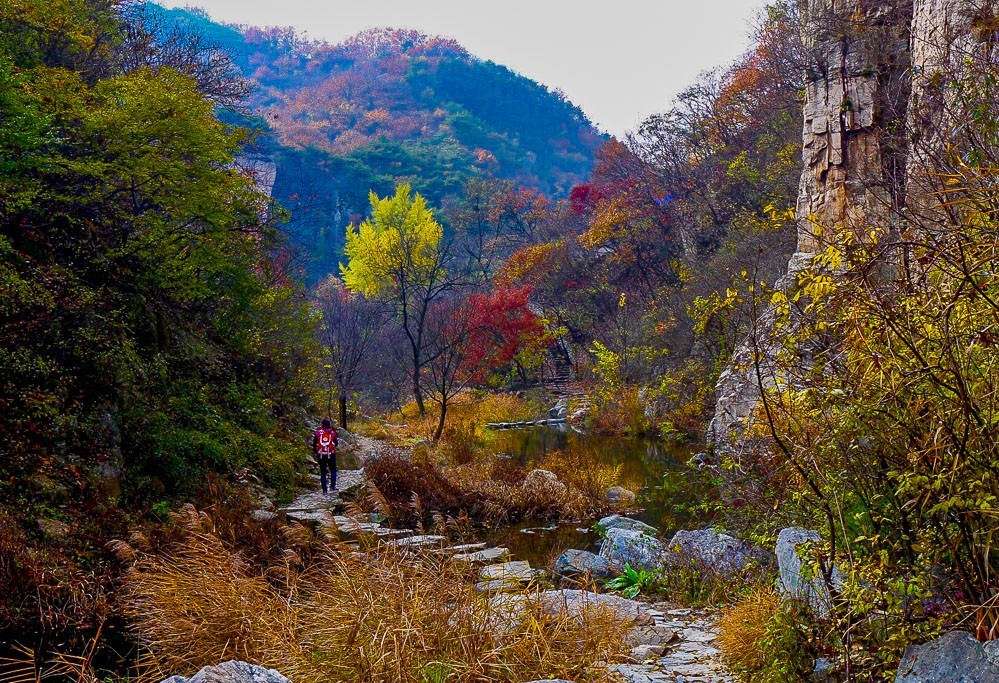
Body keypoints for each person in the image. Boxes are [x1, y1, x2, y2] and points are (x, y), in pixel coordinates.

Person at [311, 417, 338, 495]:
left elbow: (314, 443)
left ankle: (324, 490)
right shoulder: (332, 433)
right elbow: (336, 443)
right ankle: (332, 487)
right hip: (331, 454)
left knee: (323, 472)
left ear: (322, 425)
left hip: (321, 455)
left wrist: (316, 452)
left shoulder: (317, 433)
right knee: (333, 470)